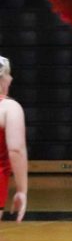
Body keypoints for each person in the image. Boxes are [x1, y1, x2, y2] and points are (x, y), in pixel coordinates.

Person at [0, 55, 28, 223]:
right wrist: (22, 189)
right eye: (9, 74)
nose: (11, 78)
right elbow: (16, 150)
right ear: (2, 78)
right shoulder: (9, 108)